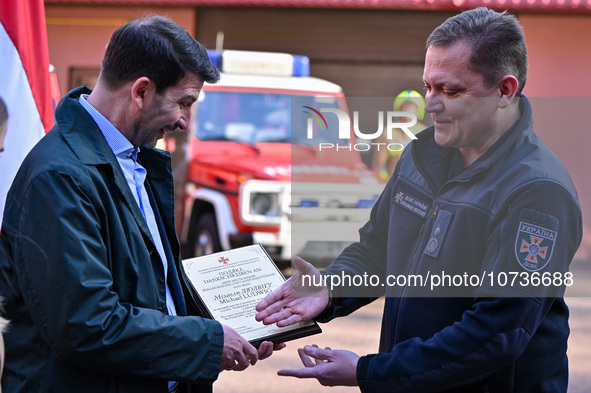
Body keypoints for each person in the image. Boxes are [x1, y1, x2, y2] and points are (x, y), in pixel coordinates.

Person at [256, 7, 582, 393]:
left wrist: (372, 371)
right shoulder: (420, 156)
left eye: (451, 90)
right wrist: (330, 289)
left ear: (504, 91)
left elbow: (497, 333)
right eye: (428, 86)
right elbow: (378, 249)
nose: (431, 104)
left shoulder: (538, 192)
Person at [0, 16, 281, 393]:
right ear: (141, 92)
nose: (186, 121)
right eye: (184, 103)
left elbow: (149, 292)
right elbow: (86, 323)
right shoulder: (60, 177)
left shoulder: (134, 159)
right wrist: (207, 341)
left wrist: (241, 320)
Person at [371, 90, 427, 180]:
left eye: (411, 107)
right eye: (405, 107)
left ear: (418, 110)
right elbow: (379, 165)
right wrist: (386, 183)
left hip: (417, 185)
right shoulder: (389, 132)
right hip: (394, 184)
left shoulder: (424, 132)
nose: (408, 111)